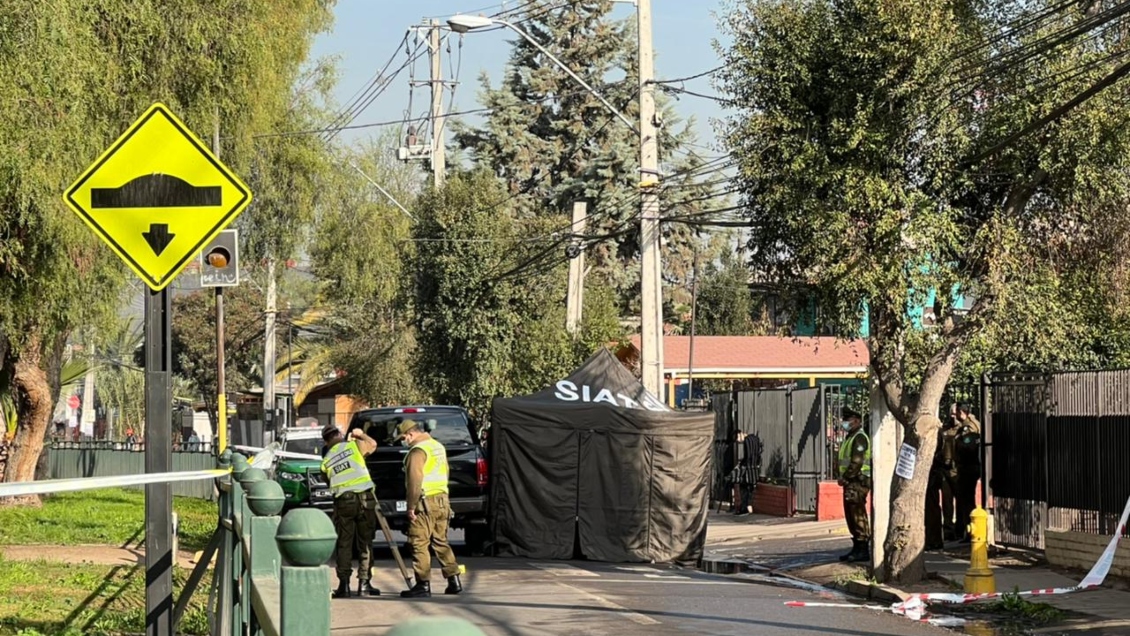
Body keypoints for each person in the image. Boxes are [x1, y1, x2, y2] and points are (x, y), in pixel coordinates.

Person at [395, 419, 463, 598]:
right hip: (442, 500)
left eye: (404, 437)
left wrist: (411, 507)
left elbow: (414, 482)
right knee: (440, 541)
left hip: (425, 503)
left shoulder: (417, 451)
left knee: (419, 542)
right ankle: (453, 580)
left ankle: (423, 585)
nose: (404, 441)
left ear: (410, 434)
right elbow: (445, 471)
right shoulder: (437, 446)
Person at [320, 423, 380, 599]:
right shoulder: (354, 446)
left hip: (344, 502)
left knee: (344, 543)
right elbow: (373, 444)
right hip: (365, 499)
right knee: (365, 541)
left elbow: (328, 480)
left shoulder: (326, 461)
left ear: (326, 442)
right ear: (339, 434)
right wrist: (360, 434)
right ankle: (364, 583)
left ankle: (344, 585)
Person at [837, 407, 871, 563]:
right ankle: (857, 546)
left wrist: (846, 477)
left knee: (857, 514)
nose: (844, 423)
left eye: (847, 419)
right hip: (851, 482)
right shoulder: (850, 437)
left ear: (856, 420)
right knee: (851, 514)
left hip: (858, 481)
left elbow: (856, 462)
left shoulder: (859, 438)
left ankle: (862, 548)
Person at [953, 403, 982, 542]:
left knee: (967, 500)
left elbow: (968, 446)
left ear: (961, 412)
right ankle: (966, 530)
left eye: (956, 412)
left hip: (968, 466)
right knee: (964, 500)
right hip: (966, 466)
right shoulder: (967, 424)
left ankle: (972, 531)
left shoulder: (969, 426)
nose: (954, 415)